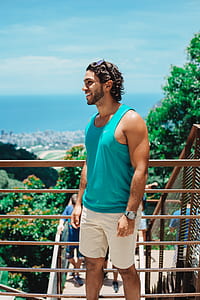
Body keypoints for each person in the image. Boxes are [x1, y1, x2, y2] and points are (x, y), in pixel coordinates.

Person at [71, 60, 149, 300]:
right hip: (91, 211)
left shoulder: (131, 120)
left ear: (107, 85)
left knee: (126, 269)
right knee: (92, 265)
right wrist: (79, 202)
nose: (84, 88)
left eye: (89, 83)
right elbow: (89, 163)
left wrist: (130, 214)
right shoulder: (92, 124)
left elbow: (141, 170)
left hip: (119, 214)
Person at [57, 194, 84, 286]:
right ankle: (76, 268)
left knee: (81, 258)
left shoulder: (83, 210)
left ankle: (76, 274)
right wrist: (60, 225)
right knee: (69, 257)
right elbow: (63, 217)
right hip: (70, 238)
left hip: (81, 238)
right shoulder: (68, 209)